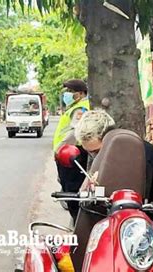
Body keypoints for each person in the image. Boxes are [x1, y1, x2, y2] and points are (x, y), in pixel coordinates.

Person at [76, 110, 153, 272]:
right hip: (135, 223)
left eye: (96, 152)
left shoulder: (137, 154)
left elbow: (137, 192)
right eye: (90, 153)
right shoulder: (110, 157)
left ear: (109, 140)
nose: (95, 157)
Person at [52, 79, 90, 223]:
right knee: (70, 189)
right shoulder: (77, 106)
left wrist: (58, 148)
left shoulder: (80, 109)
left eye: (70, 92)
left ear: (80, 93)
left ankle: (77, 224)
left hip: (71, 154)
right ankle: (76, 222)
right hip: (70, 153)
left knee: (71, 192)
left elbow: (74, 132)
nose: (66, 94)